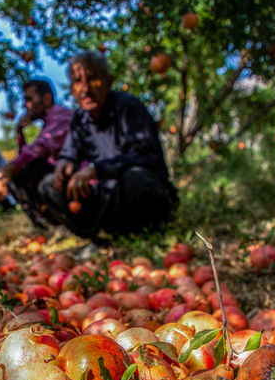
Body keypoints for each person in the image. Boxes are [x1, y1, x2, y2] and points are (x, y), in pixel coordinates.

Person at [39, 51, 177, 241]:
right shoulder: (80, 119)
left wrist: (96, 170)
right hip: (106, 201)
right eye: (78, 81)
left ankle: (144, 234)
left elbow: (147, 156)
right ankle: (98, 238)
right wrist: (64, 166)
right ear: (72, 89)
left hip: (135, 196)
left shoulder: (129, 107)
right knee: (48, 185)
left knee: (137, 179)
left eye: (93, 79)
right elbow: (69, 153)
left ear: (108, 81)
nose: (85, 89)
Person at [0, 80, 73, 227]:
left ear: (46, 99)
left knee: (30, 169)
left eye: (29, 99)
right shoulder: (48, 123)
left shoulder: (61, 116)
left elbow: (36, 151)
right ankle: (47, 224)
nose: (25, 105)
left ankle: (61, 223)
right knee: (24, 171)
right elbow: (27, 157)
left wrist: (7, 170)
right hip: (61, 177)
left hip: (73, 176)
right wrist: (20, 134)